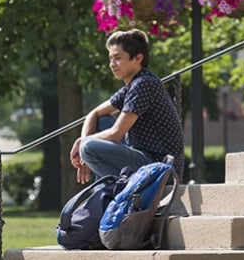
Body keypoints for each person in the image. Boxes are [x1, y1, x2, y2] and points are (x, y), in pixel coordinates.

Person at [69, 29, 184, 185]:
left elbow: (116, 134)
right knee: (100, 123)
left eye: (117, 58)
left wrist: (83, 143)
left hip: (161, 167)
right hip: (142, 156)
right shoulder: (132, 85)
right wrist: (83, 143)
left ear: (138, 58)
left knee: (89, 147)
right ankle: (112, 188)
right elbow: (94, 114)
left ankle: (118, 190)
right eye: (110, 58)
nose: (111, 64)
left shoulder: (144, 84)